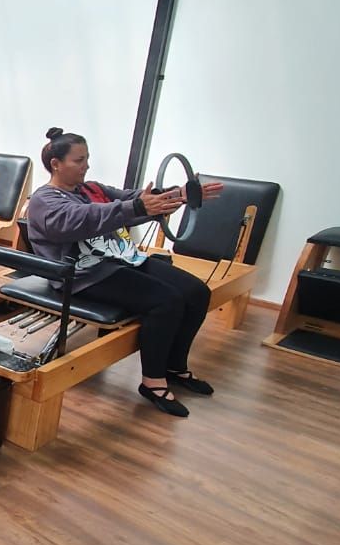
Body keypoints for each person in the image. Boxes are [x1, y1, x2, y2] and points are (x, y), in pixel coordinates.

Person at [25, 127, 226, 418]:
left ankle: (175, 367)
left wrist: (178, 195)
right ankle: (153, 382)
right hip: (82, 275)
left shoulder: (91, 188)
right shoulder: (45, 201)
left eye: (87, 158)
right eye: (79, 160)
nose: (86, 165)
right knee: (166, 301)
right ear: (56, 164)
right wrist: (137, 205)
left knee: (197, 293)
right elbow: (83, 219)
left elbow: (132, 199)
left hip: (121, 260)